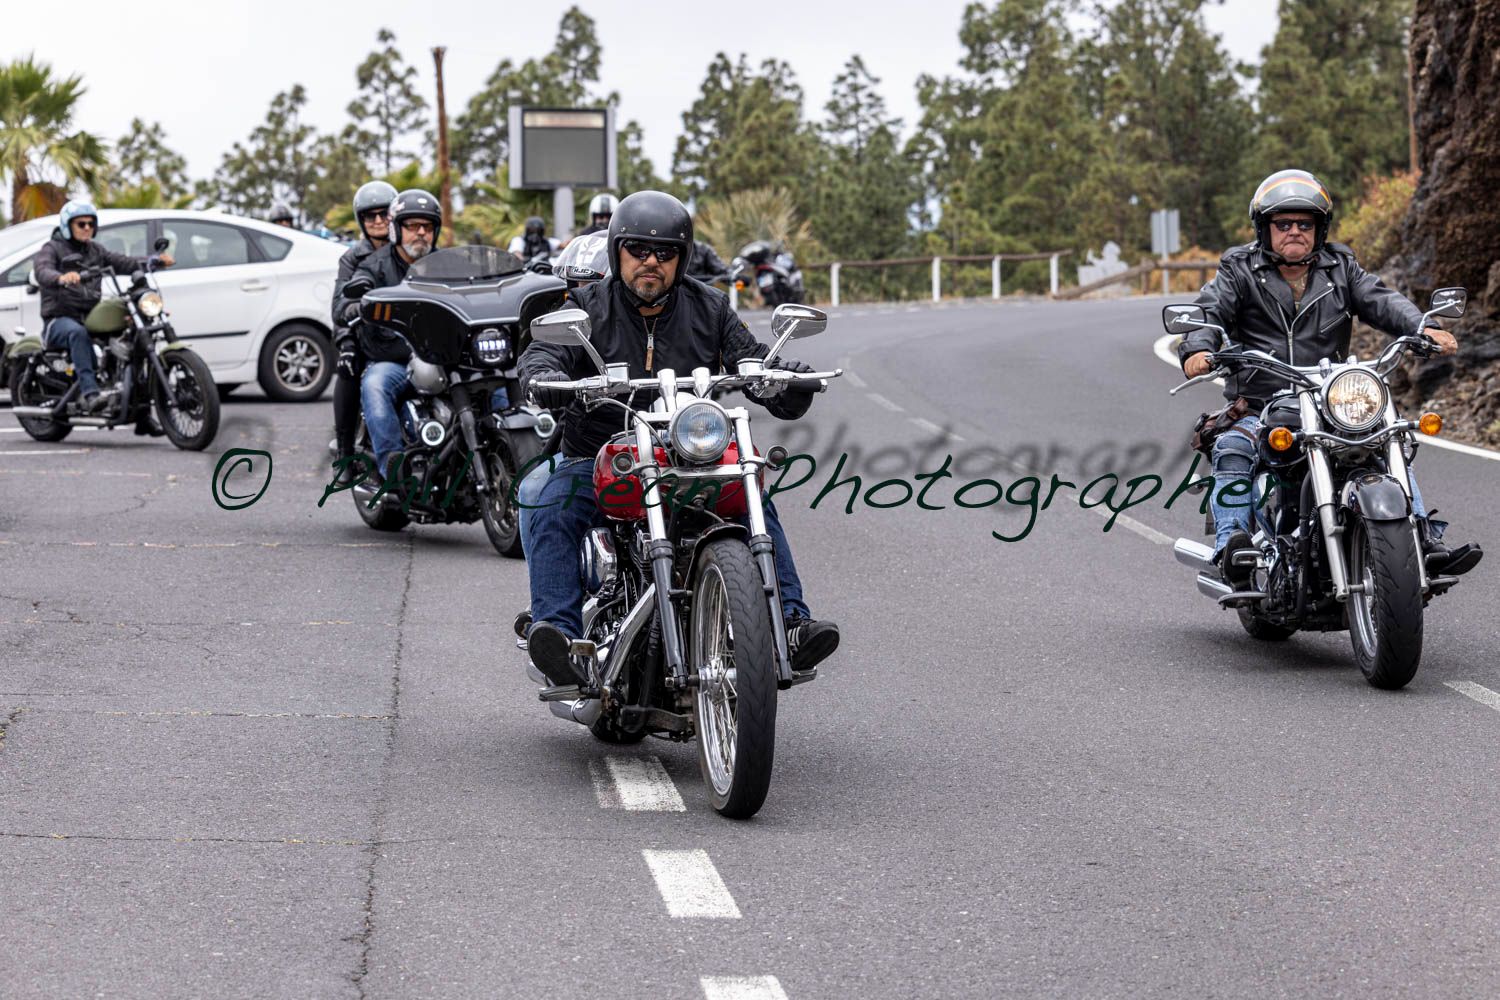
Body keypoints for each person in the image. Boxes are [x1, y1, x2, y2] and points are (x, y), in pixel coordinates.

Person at [517, 190, 839, 687]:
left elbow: (750, 359)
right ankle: (560, 639)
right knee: (553, 506)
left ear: (681, 259)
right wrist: (545, 377)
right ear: (616, 251)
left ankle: (791, 625)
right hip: (602, 454)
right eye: (638, 250)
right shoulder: (586, 307)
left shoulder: (708, 307)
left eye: (665, 253)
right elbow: (544, 355)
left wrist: (782, 376)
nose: (651, 262)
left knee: (755, 493)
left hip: (688, 454)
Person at [1179, 168, 1462, 584]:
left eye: (1304, 224)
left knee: (1387, 434)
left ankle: (1420, 535)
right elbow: (1209, 311)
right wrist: (1200, 349)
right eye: (1284, 223)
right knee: (1233, 447)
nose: (1294, 231)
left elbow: (1380, 300)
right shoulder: (1239, 269)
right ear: (1265, 229)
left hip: (1327, 400)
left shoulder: (1341, 267)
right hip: (1260, 403)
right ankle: (1231, 544)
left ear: (1319, 229)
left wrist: (1420, 328)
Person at [32, 200, 174, 421]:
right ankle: (90, 394)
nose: (87, 228)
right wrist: (60, 277)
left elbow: (123, 262)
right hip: (59, 319)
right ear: (68, 226)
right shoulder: (52, 249)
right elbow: (42, 270)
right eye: (81, 224)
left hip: (90, 316)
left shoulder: (95, 250)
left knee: (131, 336)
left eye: (91, 224)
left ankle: (142, 414)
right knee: (77, 333)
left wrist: (153, 261)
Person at [343, 188, 441, 480]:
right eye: (412, 226)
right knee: (375, 385)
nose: (420, 233)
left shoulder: (447, 264)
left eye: (427, 226)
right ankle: (394, 472)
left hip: (444, 356)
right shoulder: (373, 265)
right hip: (395, 358)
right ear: (397, 230)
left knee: (495, 386)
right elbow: (342, 305)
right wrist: (354, 306)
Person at [329, 180, 397, 485]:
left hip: (410, 333)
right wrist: (345, 342)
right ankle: (344, 453)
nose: (379, 221)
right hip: (364, 334)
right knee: (348, 367)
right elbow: (339, 307)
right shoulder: (353, 258)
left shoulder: (409, 250)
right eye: (372, 216)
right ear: (362, 220)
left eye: (385, 214)